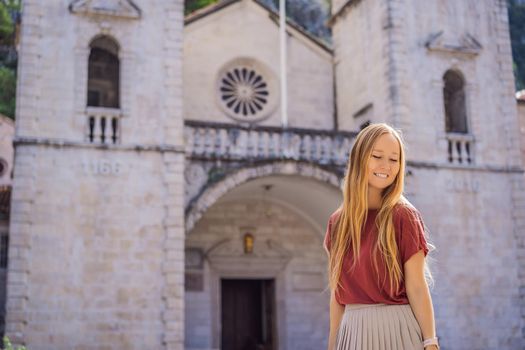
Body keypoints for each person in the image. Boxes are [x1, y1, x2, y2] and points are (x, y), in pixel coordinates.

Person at [324, 123, 439, 350]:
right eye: (377, 156)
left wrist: (431, 343)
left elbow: (417, 286)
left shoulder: (404, 216)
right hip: (351, 334)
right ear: (360, 159)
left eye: (394, 159)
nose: (386, 166)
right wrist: (332, 344)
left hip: (398, 329)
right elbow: (338, 295)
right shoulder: (337, 223)